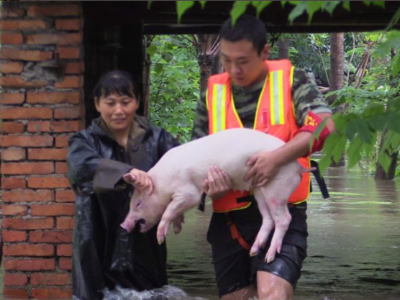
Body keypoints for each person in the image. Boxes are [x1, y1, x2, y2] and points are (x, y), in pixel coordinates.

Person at [192, 15, 336, 300]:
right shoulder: (211, 94)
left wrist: (277, 158)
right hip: (229, 220)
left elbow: (325, 125)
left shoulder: (294, 81)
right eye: (227, 60)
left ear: (264, 52)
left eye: (243, 61)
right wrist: (208, 187)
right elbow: (197, 155)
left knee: (272, 294)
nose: (234, 69)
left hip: (283, 211)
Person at [67, 70, 179, 300]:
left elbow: (184, 167)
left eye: (125, 102)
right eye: (110, 103)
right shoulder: (83, 141)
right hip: (98, 244)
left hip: (144, 246)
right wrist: (125, 172)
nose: (118, 110)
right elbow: (80, 169)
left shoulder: (158, 140)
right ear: (97, 104)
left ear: (137, 102)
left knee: (149, 295)